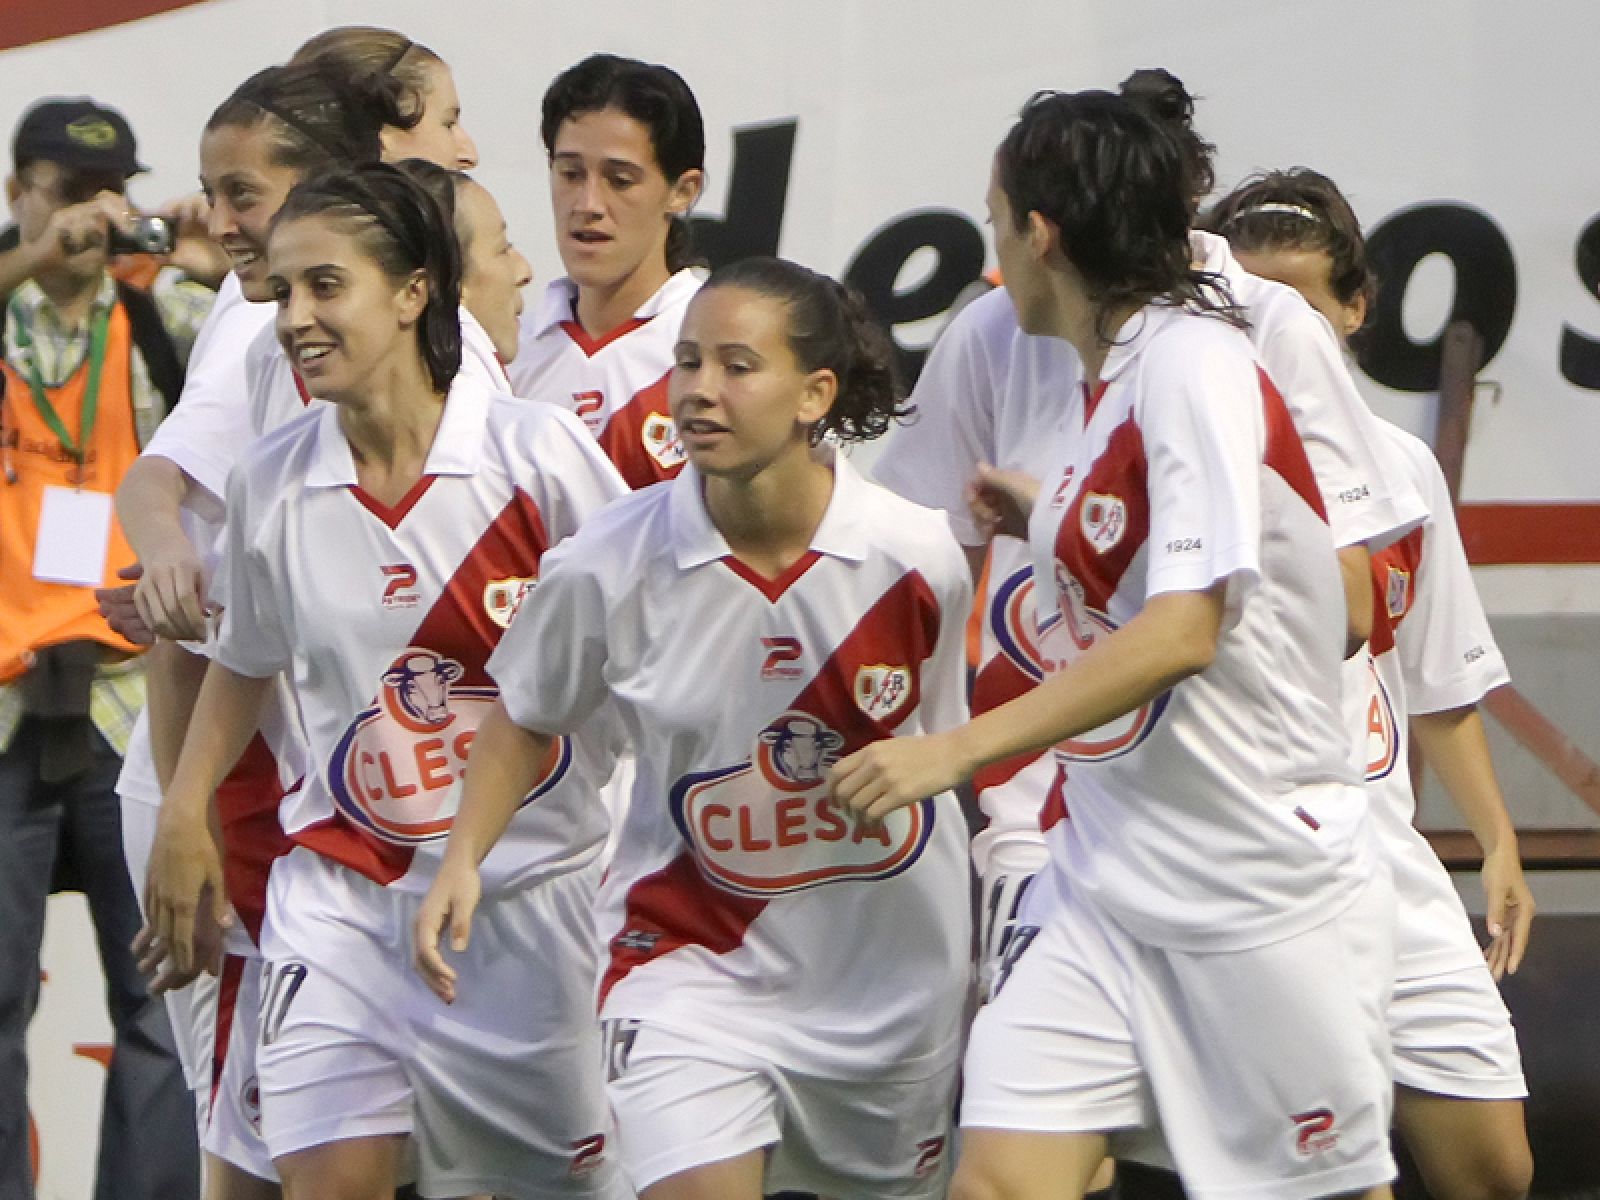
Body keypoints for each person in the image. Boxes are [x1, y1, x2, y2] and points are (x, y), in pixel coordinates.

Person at [834, 90, 1398, 1200]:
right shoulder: (1115, 372)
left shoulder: (1193, 364)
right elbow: (1142, 550)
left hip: (1251, 877)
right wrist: (1043, 513)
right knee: (995, 1179)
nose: (991, 248)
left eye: (996, 219)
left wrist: (953, 753)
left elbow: (1184, 629)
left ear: (1040, 234)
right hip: (1103, 875)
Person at [418, 257, 973, 1200]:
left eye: (736, 365)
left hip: (887, 990)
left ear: (815, 394)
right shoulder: (604, 562)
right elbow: (524, 713)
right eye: (686, 363)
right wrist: (462, 856)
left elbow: (952, 758)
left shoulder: (916, 556)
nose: (699, 392)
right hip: (683, 964)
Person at [164, 162, 629, 1200]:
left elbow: (636, 644)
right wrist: (185, 810)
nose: (295, 317)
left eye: (326, 286)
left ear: (415, 291)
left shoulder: (537, 455)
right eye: (284, 292)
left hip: (526, 908)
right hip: (339, 900)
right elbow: (246, 657)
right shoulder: (274, 479)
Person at [111, 58, 421, 1200]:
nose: (222, 219)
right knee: (253, 1141)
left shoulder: (469, 400)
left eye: (244, 192)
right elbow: (173, 514)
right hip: (258, 806)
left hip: (383, 819)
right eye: (216, 192)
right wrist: (171, 561)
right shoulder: (253, 341)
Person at [1210, 167, 1535, 1200]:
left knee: (1494, 1168)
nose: (1273, 328)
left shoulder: (1399, 469)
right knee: (1339, 1177)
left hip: (1383, 847)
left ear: (1353, 310)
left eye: (1301, 303)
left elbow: (1437, 679)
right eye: (1245, 303)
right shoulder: (1181, 462)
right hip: (1251, 850)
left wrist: (1494, 843)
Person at [0, 94, 211, 1200]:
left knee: (160, 993)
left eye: (103, 188)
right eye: (61, 188)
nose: (86, 211)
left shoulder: (157, 302)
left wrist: (210, 250)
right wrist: (26, 258)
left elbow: (283, 334)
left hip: (133, 700)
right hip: (4, 698)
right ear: (16, 190)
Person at [508, 52, 706, 489]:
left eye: (620, 180)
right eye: (571, 173)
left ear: (682, 191)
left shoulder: (716, 348)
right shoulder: (506, 356)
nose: (588, 205)